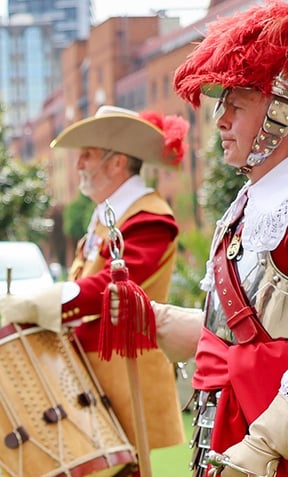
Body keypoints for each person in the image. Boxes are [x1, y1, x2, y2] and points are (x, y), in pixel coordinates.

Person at [0, 105, 190, 462]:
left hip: (125, 374)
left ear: (117, 163)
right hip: (96, 372)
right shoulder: (110, 213)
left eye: (87, 155)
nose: (78, 164)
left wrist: (46, 303)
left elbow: (113, 286)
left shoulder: (150, 216)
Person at [169, 1, 288, 475]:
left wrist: (266, 442)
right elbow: (234, 334)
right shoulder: (246, 204)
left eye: (236, 104)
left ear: (280, 110)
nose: (219, 119)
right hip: (224, 438)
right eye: (221, 103)